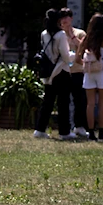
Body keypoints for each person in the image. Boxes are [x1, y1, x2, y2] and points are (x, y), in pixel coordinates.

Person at [34, 9, 76, 141]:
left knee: (47, 102)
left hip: (47, 72)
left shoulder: (43, 34)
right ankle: (64, 132)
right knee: (63, 103)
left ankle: (40, 129)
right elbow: (66, 57)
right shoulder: (61, 35)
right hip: (61, 72)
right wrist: (75, 54)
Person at [75, 13, 103, 142]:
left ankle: (91, 133)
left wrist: (88, 65)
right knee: (102, 104)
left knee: (90, 104)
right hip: (102, 71)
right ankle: (101, 133)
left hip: (89, 73)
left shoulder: (86, 39)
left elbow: (77, 59)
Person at [59, 7, 88, 138]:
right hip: (62, 71)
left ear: (71, 18)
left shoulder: (80, 33)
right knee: (63, 100)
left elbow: (84, 47)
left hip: (77, 70)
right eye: (62, 17)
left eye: (67, 17)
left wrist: (71, 36)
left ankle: (79, 126)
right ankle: (65, 128)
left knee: (80, 100)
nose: (64, 20)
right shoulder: (58, 34)